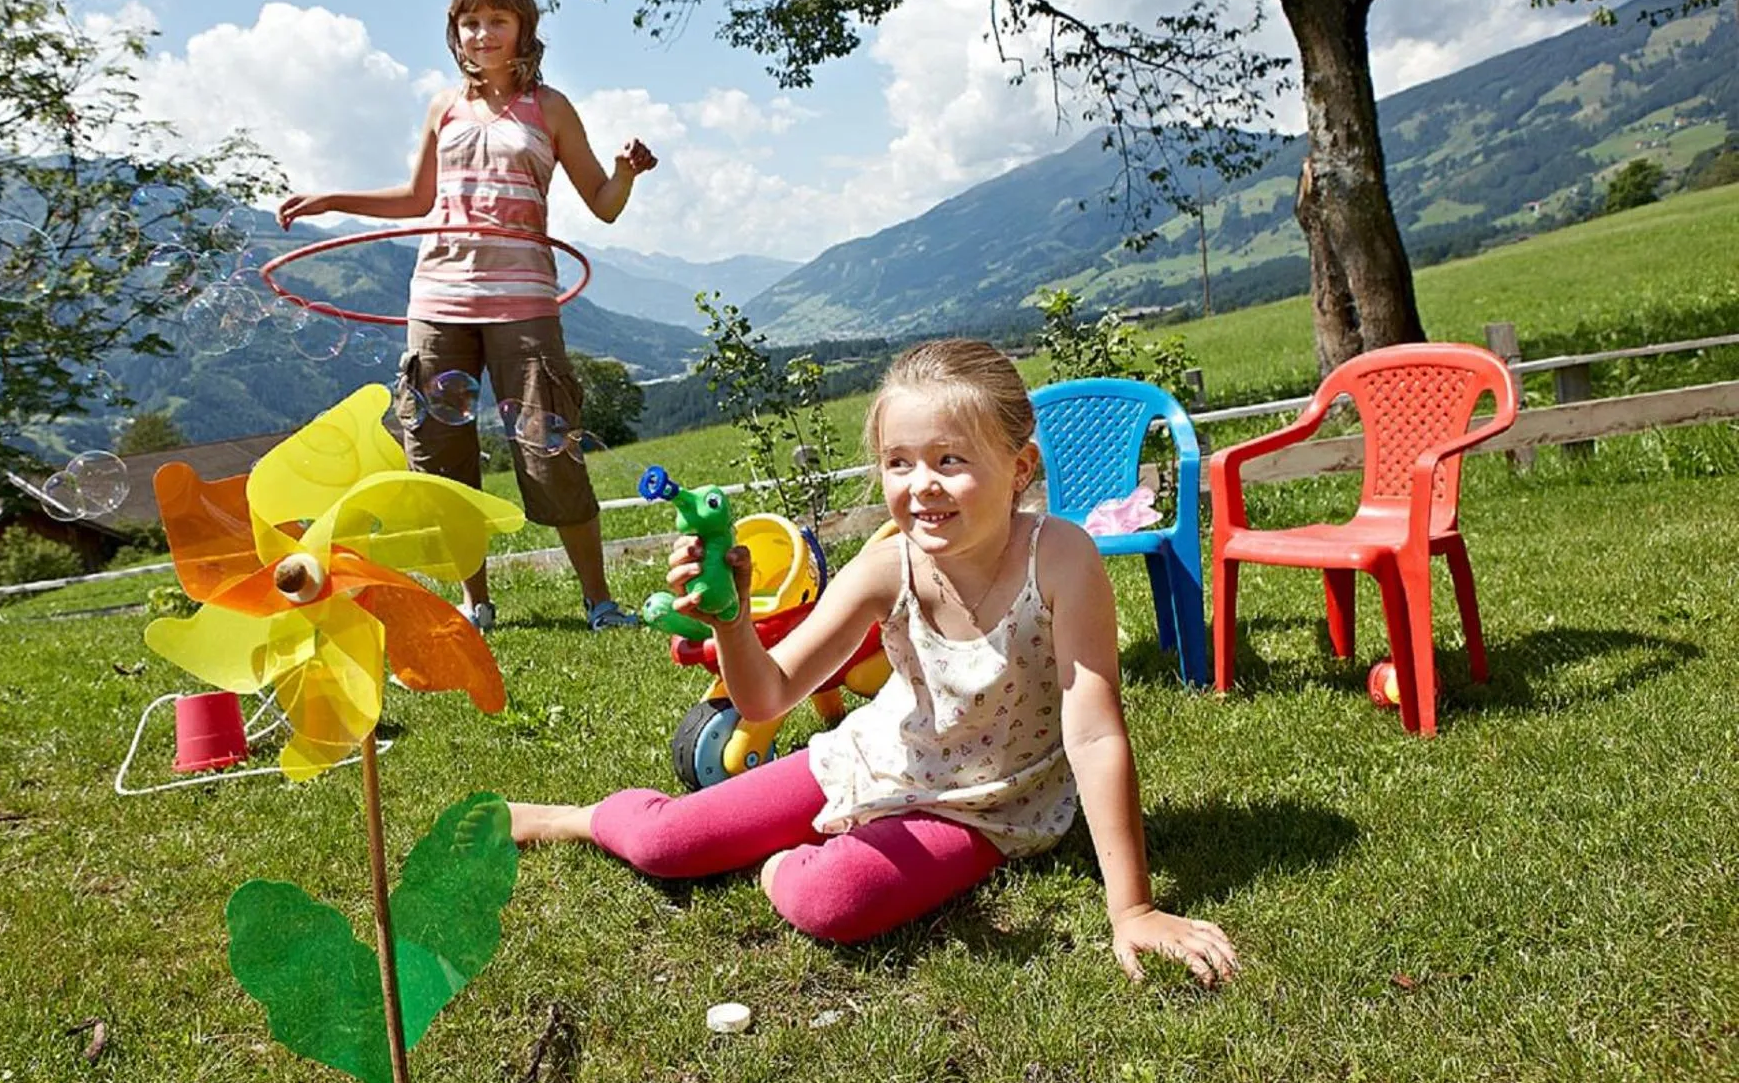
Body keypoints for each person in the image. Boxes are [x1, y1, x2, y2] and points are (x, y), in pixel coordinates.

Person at [509, 340, 1241, 978]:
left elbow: (1093, 729)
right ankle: (568, 818)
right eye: (899, 461)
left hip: (984, 805)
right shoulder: (887, 565)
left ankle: (776, 859)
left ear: (1020, 467)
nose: (920, 483)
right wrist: (732, 618)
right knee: (665, 842)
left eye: (950, 459)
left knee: (830, 900)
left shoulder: (1060, 558)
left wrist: (1134, 907)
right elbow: (766, 697)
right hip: (875, 757)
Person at [278, 0, 658, 634]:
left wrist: (625, 173)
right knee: (441, 456)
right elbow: (418, 200)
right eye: (470, 21)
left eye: (497, 20)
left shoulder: (551, 108)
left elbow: (603, 205)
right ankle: (474, 603)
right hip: (439, 300)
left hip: (524, 301)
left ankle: (599, 601)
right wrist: (334, 198)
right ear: (455, 32)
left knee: (550, 449)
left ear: (523, 30)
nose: (482, 33)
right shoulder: (443, 107)